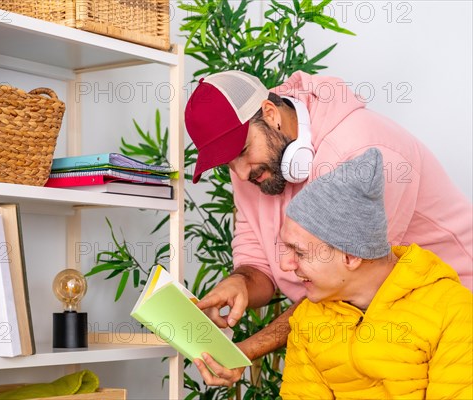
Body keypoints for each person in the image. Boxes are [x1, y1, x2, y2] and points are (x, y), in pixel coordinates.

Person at [185, 70, 473, 386]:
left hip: (449, 316)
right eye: (227, 163)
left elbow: (347, 278)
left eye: (240, 152)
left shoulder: (363, 151)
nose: (239, 174)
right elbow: (258, 265)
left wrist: (249, 348)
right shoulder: (254, 170)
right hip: (351, 321)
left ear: (270, 114)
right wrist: (239, 284)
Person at [278, 148, 472, 399]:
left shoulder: (453, 311)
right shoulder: (308, 319)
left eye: (300, 252)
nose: (285, 264)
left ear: (351, 256)